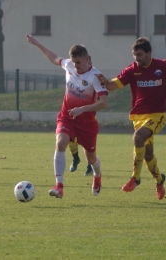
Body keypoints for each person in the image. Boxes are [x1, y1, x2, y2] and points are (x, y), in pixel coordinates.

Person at [96, 37, 166, 200]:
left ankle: (135, 178)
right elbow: (112, 86)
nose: (137, 58)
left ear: (149, 53)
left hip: (157, 116)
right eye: (135, 55)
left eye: (140, 54)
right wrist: (104, 81)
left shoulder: (162, 66)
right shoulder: (131, 70)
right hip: (138, 118)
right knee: (148, 155)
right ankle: (159, 181)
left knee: (138, 138)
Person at [26, 34, 108, 198]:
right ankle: (59, 186)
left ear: (87, 59)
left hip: (86, 123)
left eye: (79, 62)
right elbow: (54, 58)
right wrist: (37, 43)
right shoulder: (69, 65)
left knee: (91, 158)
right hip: (67, 117)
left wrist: (82, 109)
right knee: (61, 143)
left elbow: (104, 102)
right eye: (74, 62)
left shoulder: (95, 77)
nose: (76, 66)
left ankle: (97, 176)